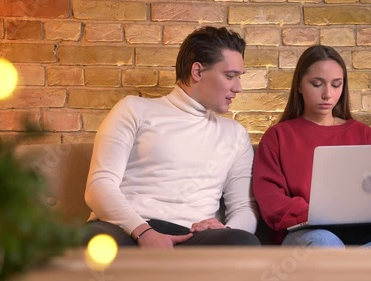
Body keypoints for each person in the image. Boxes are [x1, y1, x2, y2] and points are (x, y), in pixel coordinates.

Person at [251, 45, 371, 247]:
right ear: (299, 86)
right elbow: (272, 202)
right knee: (324, 242)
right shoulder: (278, 136)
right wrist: (322, 213)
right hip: (309, 232)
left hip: (363, 231)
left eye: (336, 85)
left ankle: (344, 266)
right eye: (317, 84)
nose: (327, 94)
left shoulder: (363, 134)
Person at [84, 26, 260, 249]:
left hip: (193, 236)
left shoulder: (235, 134)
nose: (238, 88)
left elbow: (244, 207)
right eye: (229, 76)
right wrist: (144, 232)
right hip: (127, 229)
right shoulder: (133, 109)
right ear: (197, 71)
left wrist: (223, 230)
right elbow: (100, 185)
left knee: (243, 242)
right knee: (91, 241)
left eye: (239, 77)